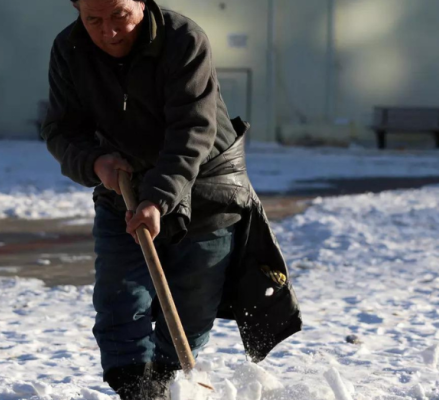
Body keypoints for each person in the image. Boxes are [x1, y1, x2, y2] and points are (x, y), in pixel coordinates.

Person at [40, 0, 301, 398]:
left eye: (119, 16)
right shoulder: (69, 49)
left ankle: (169, 387)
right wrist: (95, 163)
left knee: (189, 315)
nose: (108, 31)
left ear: (142, 3)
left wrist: (158, 198)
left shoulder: (183, 40)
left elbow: (192, 129)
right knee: (119, 304)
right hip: (121, 191)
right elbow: (61, 130)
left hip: (207, 192)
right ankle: (138, 394)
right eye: (93, 19)